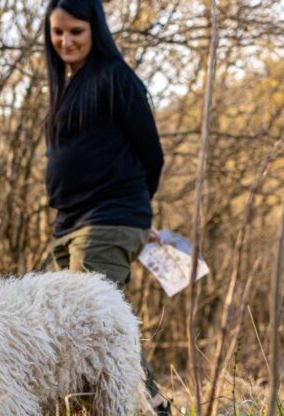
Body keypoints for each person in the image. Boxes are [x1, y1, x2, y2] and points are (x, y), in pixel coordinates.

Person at [42, 0, 169, 413]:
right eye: (58, 32)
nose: (66, 41)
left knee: (97, 329)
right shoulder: (68, 86)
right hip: (70, 225)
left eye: (76, 31)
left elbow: (152, 155)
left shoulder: (115, 78)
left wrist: (133, 212)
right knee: (72, 332)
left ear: (95, 30)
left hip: (107, 220)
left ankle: (154, 408)